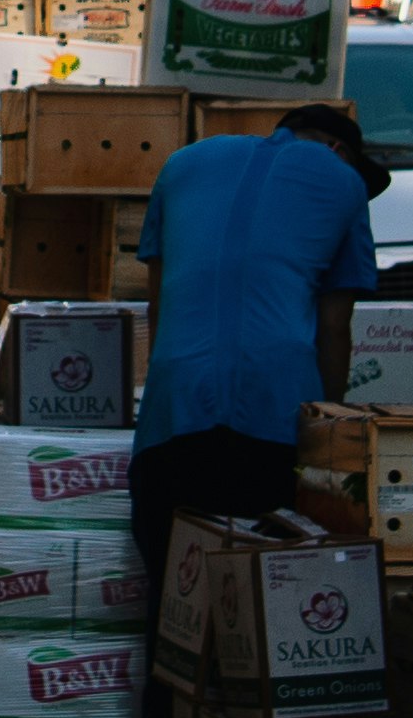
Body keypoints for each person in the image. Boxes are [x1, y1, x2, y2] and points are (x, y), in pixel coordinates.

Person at [121, 100, 389, 557]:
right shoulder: (344, 181)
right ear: (339, 150)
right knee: (266, 594)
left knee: (173, 590)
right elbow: (333, 326)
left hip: (173, 412)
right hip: (273, 416)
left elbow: (159, 305)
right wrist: (329, 433)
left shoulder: (183, 163)